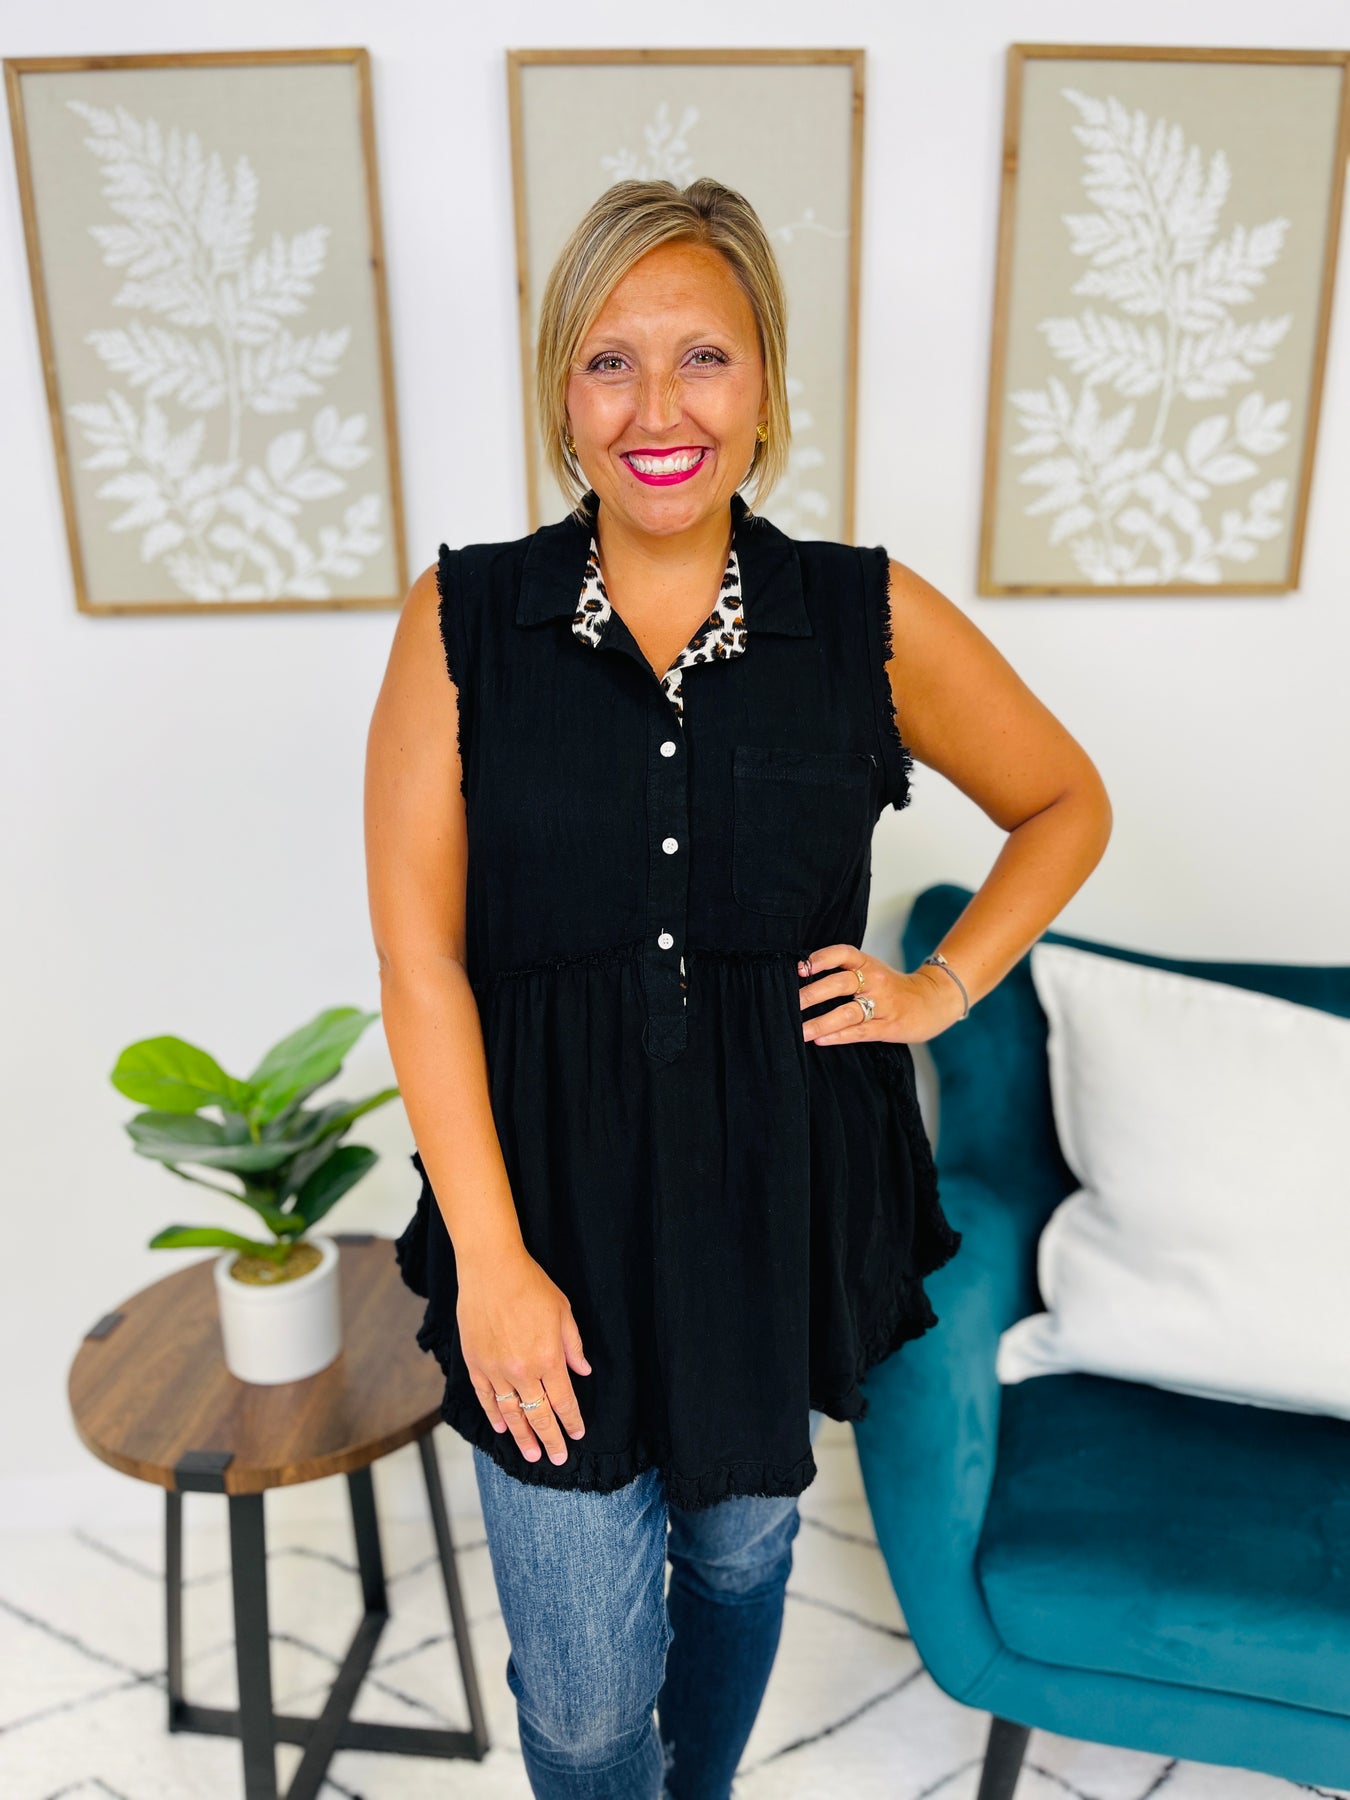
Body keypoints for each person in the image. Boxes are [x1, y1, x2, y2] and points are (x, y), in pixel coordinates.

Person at [364, 177, 1112, 1799]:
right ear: (561, 391)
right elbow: (419, 961)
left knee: (736, 1560)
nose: (657, 409)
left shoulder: (864, 619)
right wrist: (490, 1262)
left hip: (780, 1199)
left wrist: (942, 986)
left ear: (764, 382)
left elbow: (1064, 800)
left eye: (701, 356)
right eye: (608, 361)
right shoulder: (463, 621)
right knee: (580, 1700)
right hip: (541, 1210)